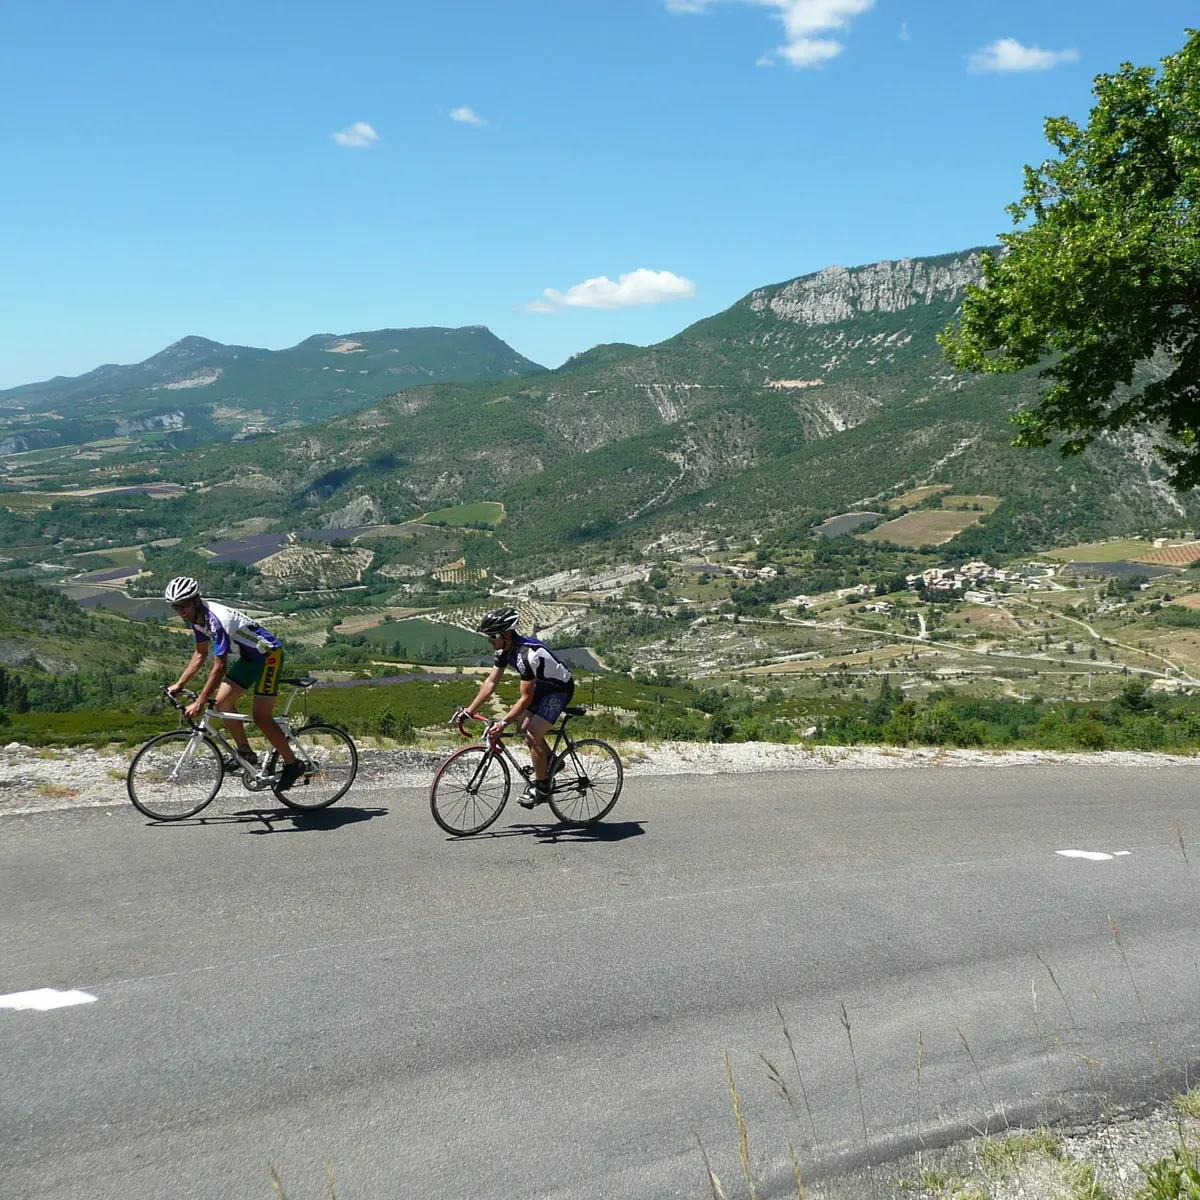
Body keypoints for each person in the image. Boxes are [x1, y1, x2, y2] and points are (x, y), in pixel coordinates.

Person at [163, 576, 305, 789]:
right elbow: (200, 653)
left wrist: (200, 702)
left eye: (184, 605)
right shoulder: (196, 618)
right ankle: (246, 753)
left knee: (261, 717)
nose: (181, 611)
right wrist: (180, 684)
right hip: (250, 658)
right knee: (222, 704)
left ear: (196, 600)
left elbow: (219, 667)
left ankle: (293, 764)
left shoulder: (215, 620)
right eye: (176, 607)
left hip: (269, 657)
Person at [463, 606, 574, 807]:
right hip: (542, 687)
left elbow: (525, 698)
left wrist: (503, 723)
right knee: (522, 729)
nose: (489, 641)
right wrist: (469, 711)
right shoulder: (504, 649)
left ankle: (541, 788)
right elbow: (491, 683)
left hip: (559, 690)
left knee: (532, 734)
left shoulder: (526, 655)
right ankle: (551, 762)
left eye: (492, 636)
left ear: (506, 634)